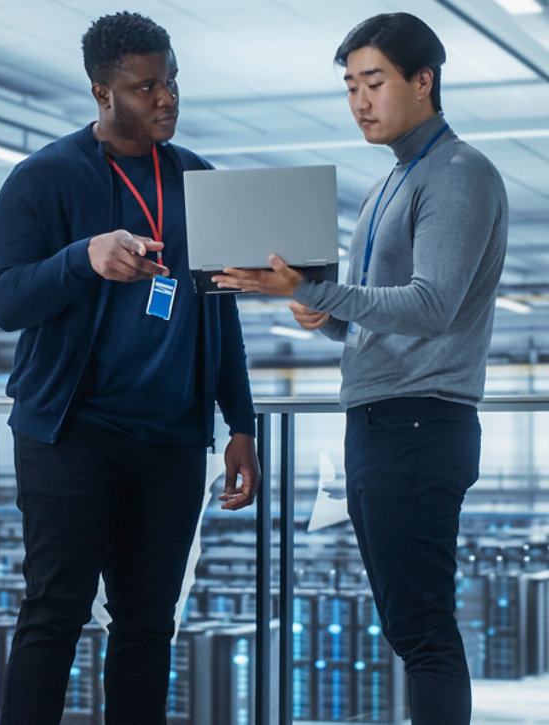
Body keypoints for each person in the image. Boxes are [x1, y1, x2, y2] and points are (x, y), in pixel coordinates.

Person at [213, 13, 507, 724]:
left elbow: (433, 305)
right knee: (410, 627)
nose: (359, 102)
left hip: (419, 421)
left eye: (374, 82)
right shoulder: (389, 185)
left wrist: (308, 291)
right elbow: (380, 312)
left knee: (424, 629)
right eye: (350, 87)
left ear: (423, 80)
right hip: (382, 421)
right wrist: (326, 315)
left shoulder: (458, 174)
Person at [0, 12, 261, 723]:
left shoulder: (198, 178)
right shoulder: (43, 179)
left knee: (148, 623)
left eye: (171, 82)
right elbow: (5, 299)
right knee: (55, 614)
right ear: (102, 93)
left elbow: (220, 310)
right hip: (71, 437)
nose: (166, 99)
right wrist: (81, 259)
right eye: (145, 88)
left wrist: (241, 424)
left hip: (170, 441)